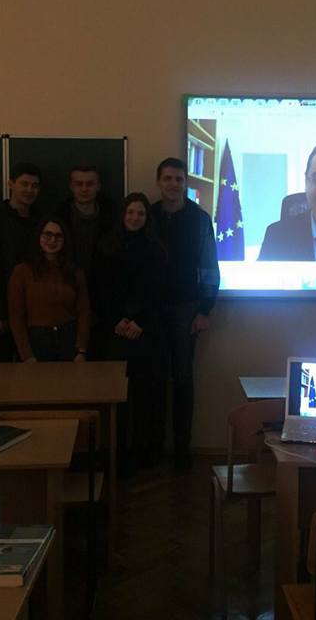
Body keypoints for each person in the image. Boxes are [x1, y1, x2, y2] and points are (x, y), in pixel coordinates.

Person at [152, 158, 220, 470]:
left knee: (182, 379)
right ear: (158, 182)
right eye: (167, 178)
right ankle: (152, 447)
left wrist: (205, 309)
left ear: (185, 183)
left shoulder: (199, 219)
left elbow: (209, 266)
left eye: (179, 179)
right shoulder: (148, 215)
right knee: (152, 379)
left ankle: (182, 448)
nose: (173, 184)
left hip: (187, 309)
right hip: (151, 311)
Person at [96, 192, 167, 471]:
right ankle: (119, 456)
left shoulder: (156, 249)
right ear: (122, 215)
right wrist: (116, 320)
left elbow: (159, 292)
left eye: (140, 213)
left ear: (147, 218)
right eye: (130, 212)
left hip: (146, 333)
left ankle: (143, 453)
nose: (135, 218)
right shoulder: (106, 246)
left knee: (145, 397)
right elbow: (100, 289)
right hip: (116, 332)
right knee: (119, 398)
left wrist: (141, 322)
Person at [0, 162, 42, 361]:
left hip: (34, 310)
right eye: (24, 184)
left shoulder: (40, 219)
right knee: (2, 369)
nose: (29, 190)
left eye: (34, 186)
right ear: (10, 184)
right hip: (2, 310)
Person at [7, 216, 90, 362]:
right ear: (38, 236)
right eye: (47, 234)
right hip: (37, 341)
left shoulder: (74, 272)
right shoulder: (22, 272)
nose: (52, 240)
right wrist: (26, 354)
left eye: (58, 236)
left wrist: (81, 349)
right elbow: (16, 316)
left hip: (68, 339)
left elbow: (83, 311)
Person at [58, 165, 114, 360]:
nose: (84, 189)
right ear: (71, 186)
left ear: (98, 186)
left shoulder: (112, 219)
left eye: (90, 184)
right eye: (79, 184)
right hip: (66, 300)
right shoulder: (57, 218)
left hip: (103, 301)